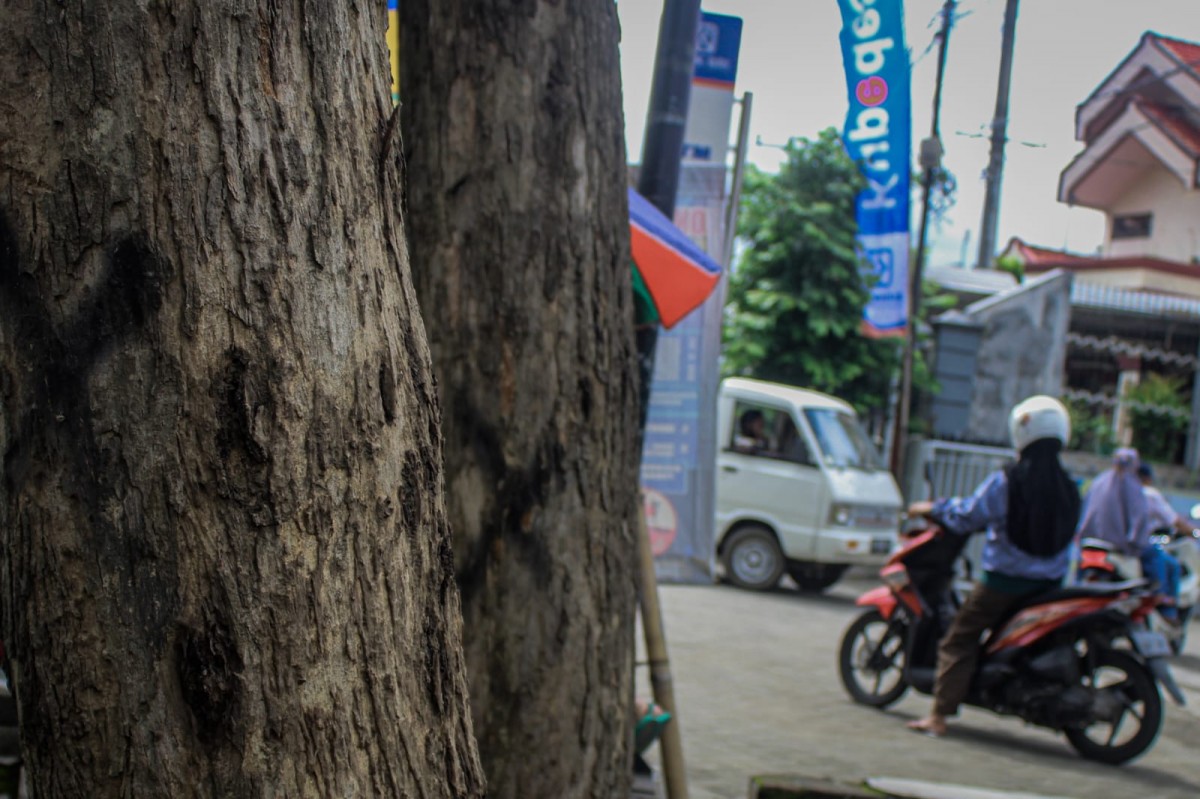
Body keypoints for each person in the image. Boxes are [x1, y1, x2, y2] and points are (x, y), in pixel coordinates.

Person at [906, 395, 1081, 738]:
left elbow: (970, 514)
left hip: (1003, 584)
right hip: (1050, 587)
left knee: (958, 639)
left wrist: (934, 508)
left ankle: (939, 716)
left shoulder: (1008, 480)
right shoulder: (1071, 486)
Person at [1136, 462, 1185, 623]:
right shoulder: (1148, 493)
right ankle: (1166, 607)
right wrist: (1192, 531)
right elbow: (1173, 519)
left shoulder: (1107, 486)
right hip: (1131, 544)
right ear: (1147, 478)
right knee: (1171, 564)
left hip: (1100, 542)